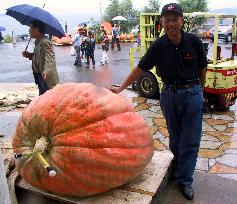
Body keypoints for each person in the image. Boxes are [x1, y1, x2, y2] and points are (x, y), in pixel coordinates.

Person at [110, 3, 207, 200]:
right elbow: (140, 69)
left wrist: (200, 91)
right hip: (170, 95)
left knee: (191, 140)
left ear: (182, 20)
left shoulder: (194, 42)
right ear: (161, 22)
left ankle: (185, 180)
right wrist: (120, 88)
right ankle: (179, 168)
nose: (171, 23)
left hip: (192, 94)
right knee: (174, 137)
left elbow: (203, 68)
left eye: (175, 19)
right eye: (167, 20)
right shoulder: (158, 46)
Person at [22, 20, 59, 95]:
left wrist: (46, 71)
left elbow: (50, 58)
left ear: (37, 29)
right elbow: (38, 57)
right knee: (42, 96)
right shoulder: (38, 42)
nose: (29, 30)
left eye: (30, 28)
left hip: (46, 77)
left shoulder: (45, 42)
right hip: (39, 75)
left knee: (48, 98)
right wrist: (29, 55)